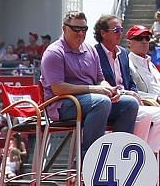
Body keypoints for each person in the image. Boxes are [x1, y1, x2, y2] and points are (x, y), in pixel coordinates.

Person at [39, 9, 139, 155]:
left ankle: (118, 156)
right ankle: (90, 157)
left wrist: (109, 89)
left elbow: (100, 80)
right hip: (61, 104)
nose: (80, 33)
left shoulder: (90, 50)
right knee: (101, 102)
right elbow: (58, 88)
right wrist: (94, 90)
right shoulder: (54, 53)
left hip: (89, 101)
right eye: (76, 29)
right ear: (64, 28)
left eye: (84, 29)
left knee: (129, 103)